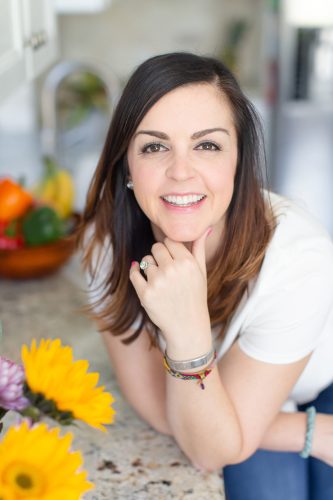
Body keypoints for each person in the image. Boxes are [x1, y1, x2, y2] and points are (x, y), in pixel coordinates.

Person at [77, 52, 333, 500]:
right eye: (155, 146)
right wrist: (307, 432)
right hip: (234, 401)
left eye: (207, 145)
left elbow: (208, 434)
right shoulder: (106, 246)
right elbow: (194, 436)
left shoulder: (299, 257)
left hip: (322, 378)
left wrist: (233, 424)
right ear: (127, 167)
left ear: (239, 159)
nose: (181, 171)